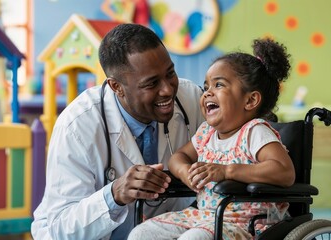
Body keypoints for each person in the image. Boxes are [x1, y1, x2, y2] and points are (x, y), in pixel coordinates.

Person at [31, 23, 204, 240]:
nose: (168, 89)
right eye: (151, 84)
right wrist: (114, 194)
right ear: (116, 87)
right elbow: (62, 228)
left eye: (170, 73)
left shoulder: (193, 100)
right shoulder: (77, 125)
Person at [128, 38, 296, 240]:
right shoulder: (206, 133)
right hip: (204, 216)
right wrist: (185, 172)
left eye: (219, 85)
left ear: (250, 100)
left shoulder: (255, 132)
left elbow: (284, 172)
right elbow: (178, 157)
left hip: (245, 223)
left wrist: (227, 171)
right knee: (142, 233)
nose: (207, 93)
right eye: (206, 86)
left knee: (195, 238)